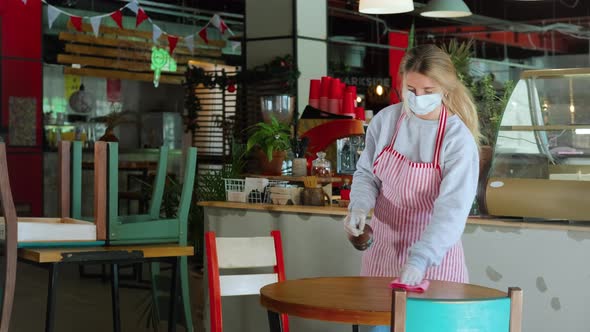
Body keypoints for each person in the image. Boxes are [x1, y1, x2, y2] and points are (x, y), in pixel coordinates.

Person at [344, 44, 480, 289]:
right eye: (411, 89)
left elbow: (452, 210)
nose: (418, 98)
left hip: (435, 264)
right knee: (380, 327)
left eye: (428, 90)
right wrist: (359, 208)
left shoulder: (457, 139)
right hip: (381, 258)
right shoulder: (385, 121)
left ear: (445, 89)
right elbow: (367, 174)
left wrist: (420, 258)